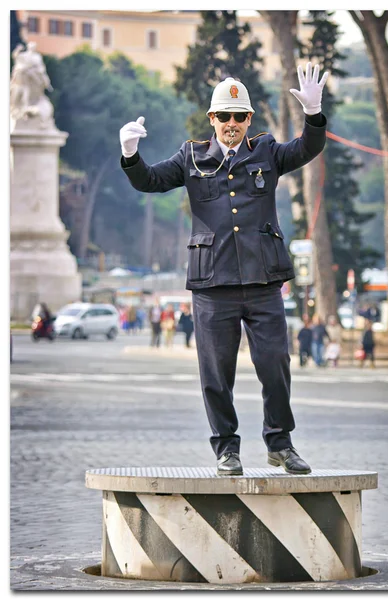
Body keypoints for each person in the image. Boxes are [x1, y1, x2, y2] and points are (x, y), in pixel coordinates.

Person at [120, 62, 328, 476]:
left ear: (249, 119)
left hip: (263, 279)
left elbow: (306, 148)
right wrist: (130, 154)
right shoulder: (191, 157)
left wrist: (314, 116)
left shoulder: (266, 151)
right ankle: (226, 449)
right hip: (212, 283)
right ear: (212, 118)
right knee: (216, 374)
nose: (231, 124)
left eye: (239, 116)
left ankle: (280, 443)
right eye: (223, 116)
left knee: (275, 365)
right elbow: (151, 181)